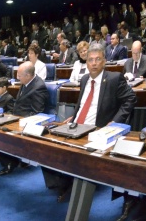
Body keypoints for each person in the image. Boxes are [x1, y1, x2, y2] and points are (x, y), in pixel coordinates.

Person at [44, 45, 136, 201]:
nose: (94, 63)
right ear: (86, 63)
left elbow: (131, 99)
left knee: (70, 153)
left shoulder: (114, 78)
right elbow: (83, 104)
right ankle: (63, 182)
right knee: (46, 144)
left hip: (94, 129)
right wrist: (74, 117)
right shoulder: (85, 79)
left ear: (104, 61)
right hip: (76, 125)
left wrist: (116, 121)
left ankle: (72, 182)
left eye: (98, 59)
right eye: (90, 60)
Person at [0, 62, 50, 176]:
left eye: (19, 75)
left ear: (28, 75)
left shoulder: (39, 87)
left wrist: (19, 121)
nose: (17, 77)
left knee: (5, 132)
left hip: (26, 121)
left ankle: (10, 162)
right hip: (17, 116)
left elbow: (37, 112)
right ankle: (1, 156)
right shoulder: (27, 82)